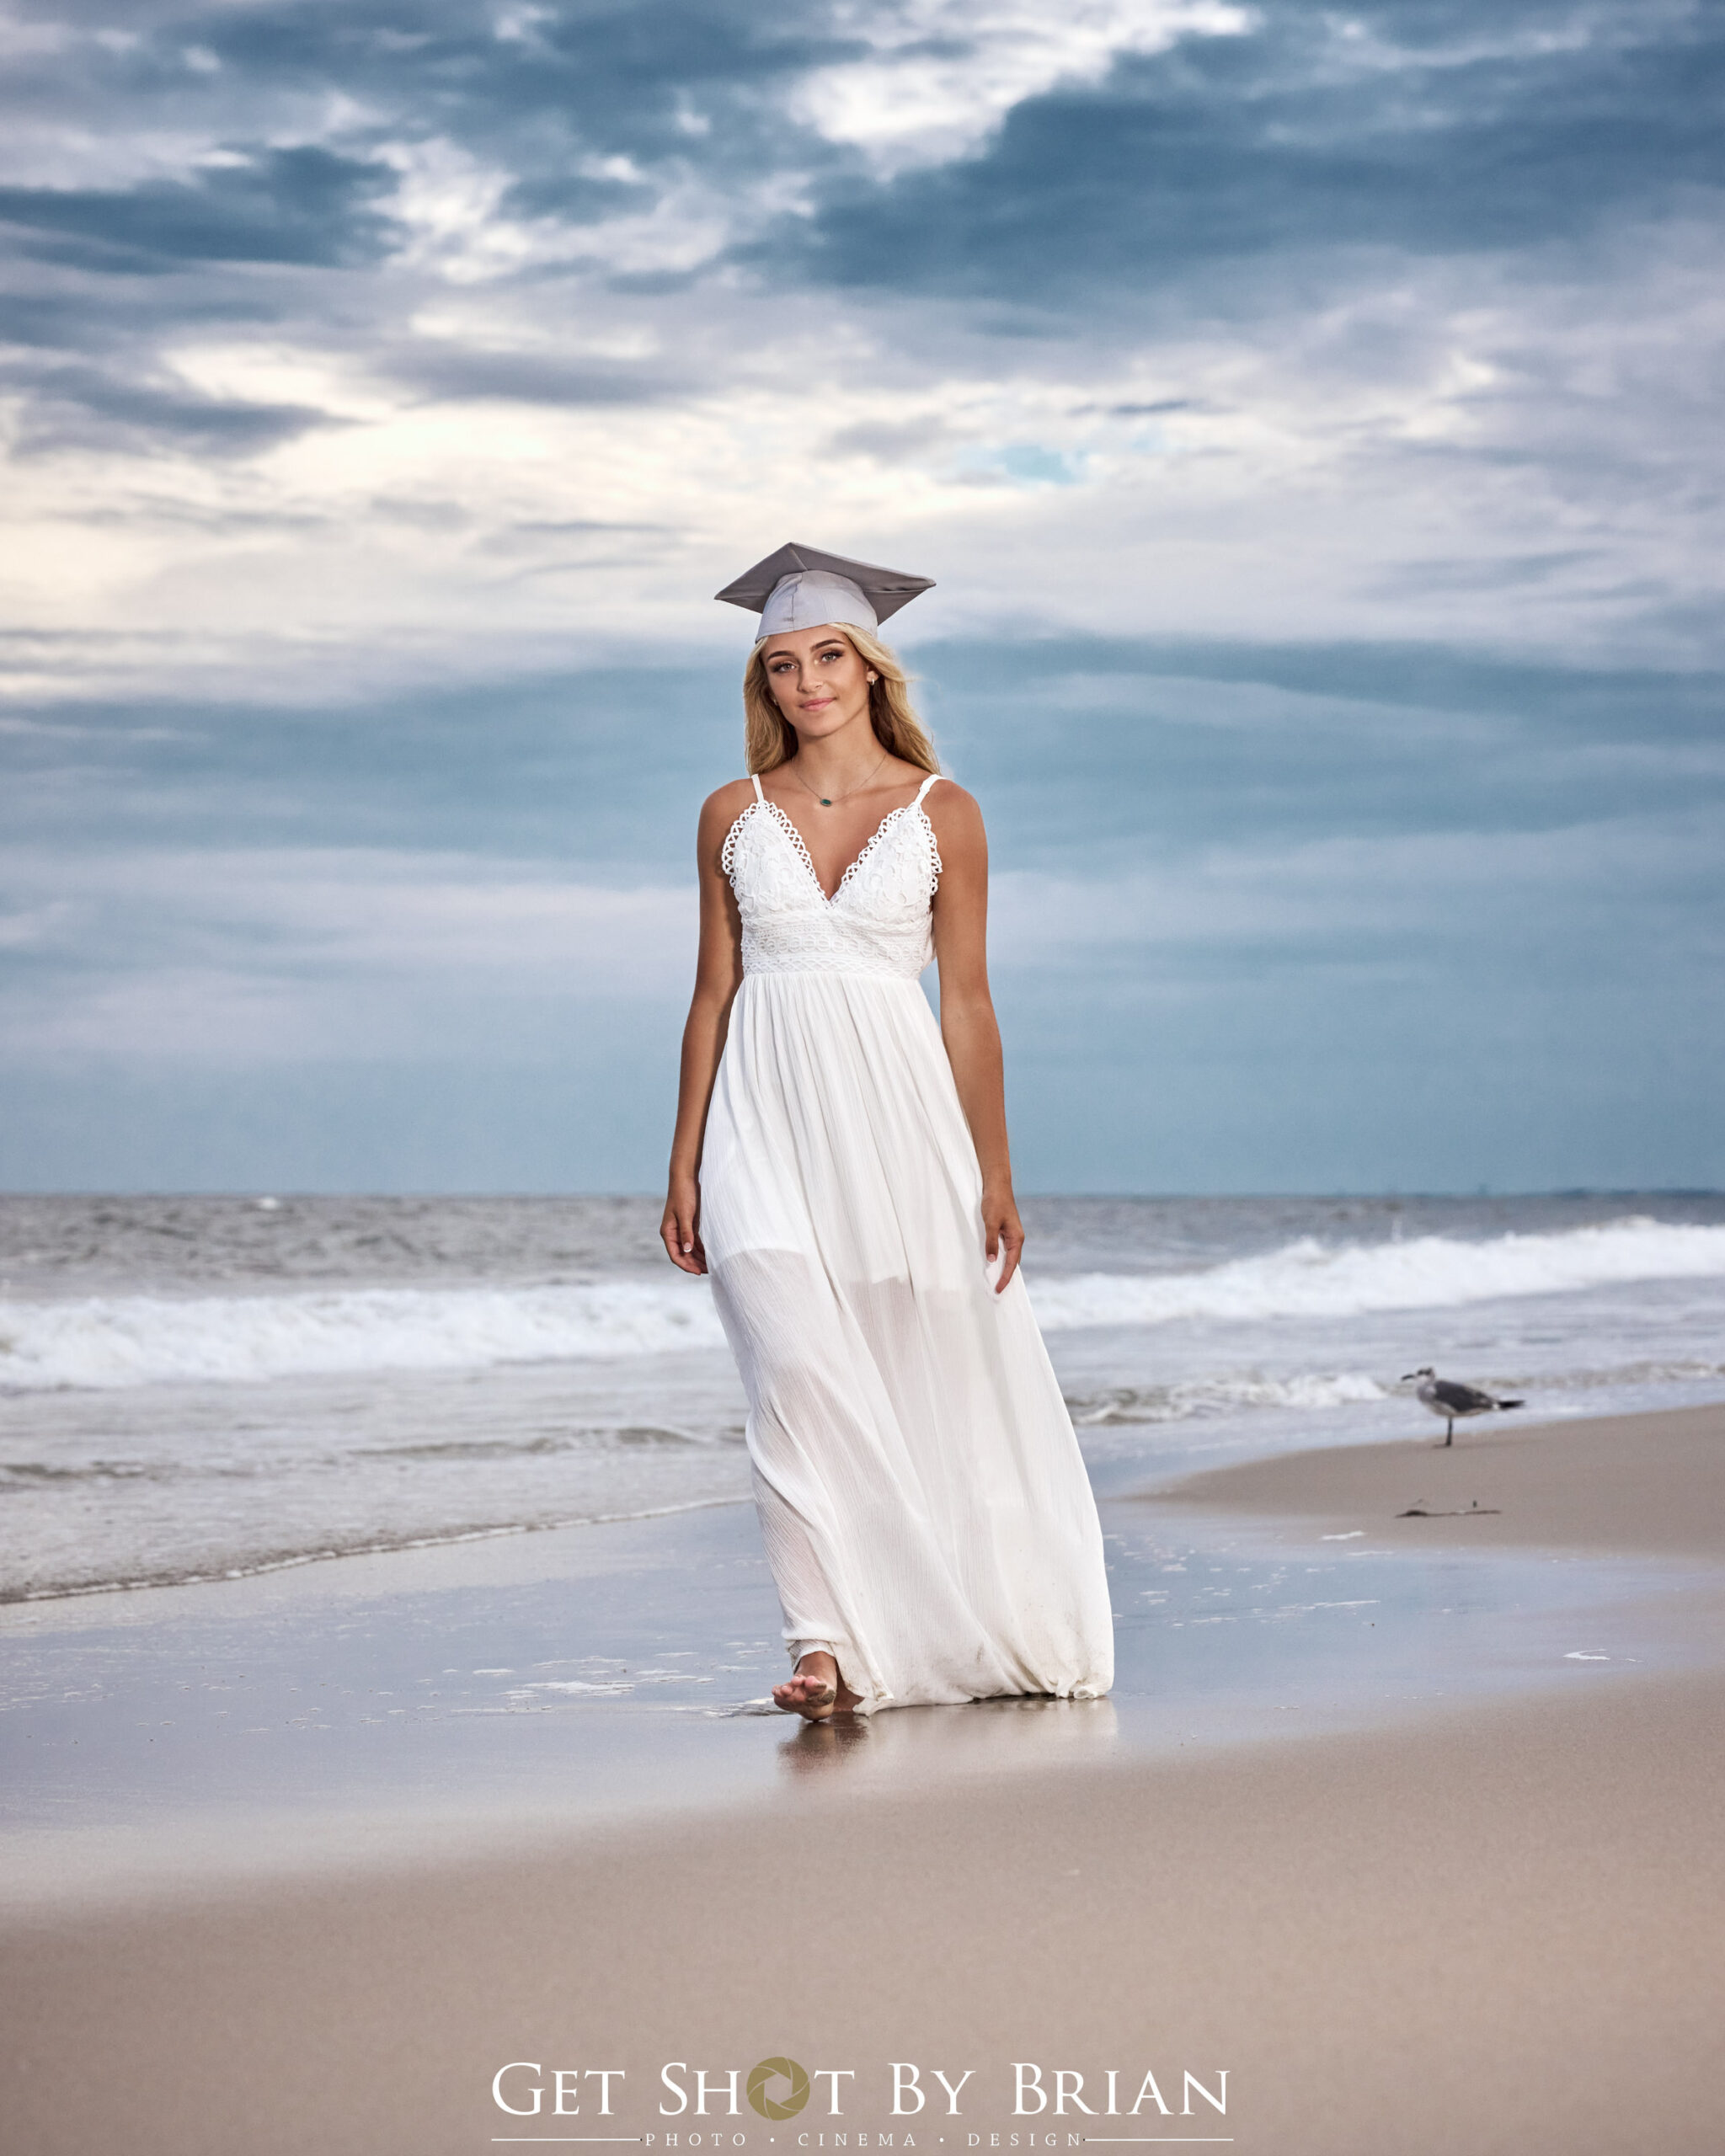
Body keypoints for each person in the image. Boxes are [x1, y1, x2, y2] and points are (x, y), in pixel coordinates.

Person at [660, 542, 1114, 1721]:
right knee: (794, 1373)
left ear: (870, 669)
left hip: (901, 1120)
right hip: (759, 1122)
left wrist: (998, 1174)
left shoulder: (942, 812)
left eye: (826, 657)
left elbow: (966, 1001)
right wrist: (683, 1165)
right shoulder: (729, 813)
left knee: (923, 1369)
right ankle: (824, 1646)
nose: (806, 682)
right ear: (763, 687)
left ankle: (946, 1617)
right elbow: (713, 993)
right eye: (780, 665)